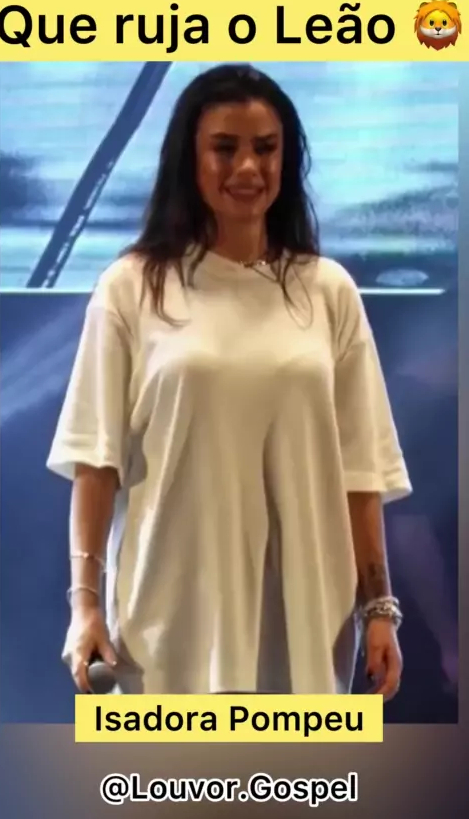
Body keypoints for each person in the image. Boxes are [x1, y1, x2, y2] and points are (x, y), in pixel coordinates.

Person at [47, 63, 411, 699]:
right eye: (225, 148)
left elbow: (361, 470)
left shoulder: (329, 292)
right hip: (166, 621)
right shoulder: (130, 288)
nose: (247, 167)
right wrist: (85, 607)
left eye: (265, 149)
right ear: (188, 159)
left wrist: (378, 609)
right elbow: (95, 463)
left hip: (307, 615)